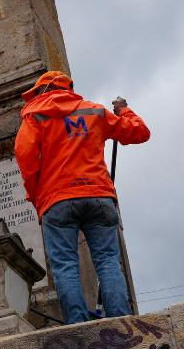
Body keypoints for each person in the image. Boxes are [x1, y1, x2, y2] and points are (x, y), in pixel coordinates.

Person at [13, 71, 150, 324]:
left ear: (41, 90)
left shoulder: (35, 116)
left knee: (65, 265)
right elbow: (139, 132)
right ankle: (121, 321)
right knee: (108, 261)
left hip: (57, 200)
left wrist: (36, 199)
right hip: (99, 194)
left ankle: (77, 326)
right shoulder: (94, 111)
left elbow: (26, 158)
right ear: (68, 88)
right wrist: (124, 111)